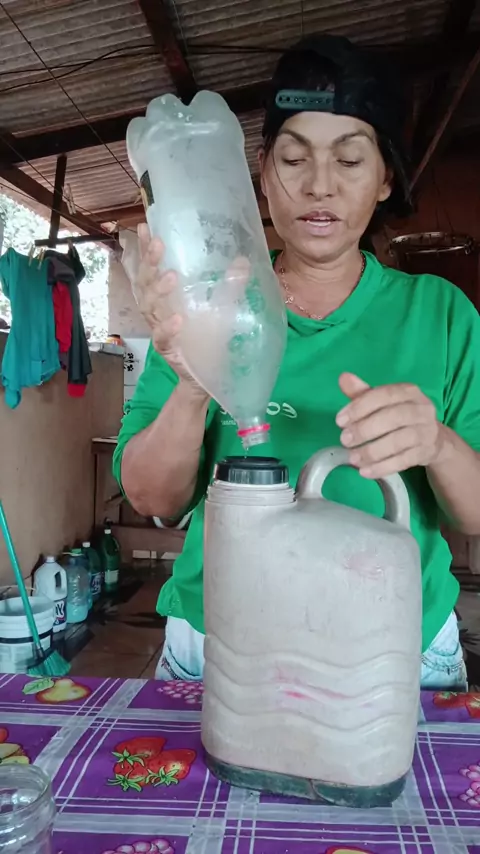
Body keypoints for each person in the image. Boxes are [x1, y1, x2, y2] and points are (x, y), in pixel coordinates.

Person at [114, 34, 480, 688]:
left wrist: (437, 444)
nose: (319, 185)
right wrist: (195, 383)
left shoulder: (441, 314)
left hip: (394, 644)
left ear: (385, 178)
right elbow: (151, 498)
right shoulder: (207, 303)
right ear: (261, 173)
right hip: (220, 641)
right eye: (293, 158)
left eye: (350, 159)